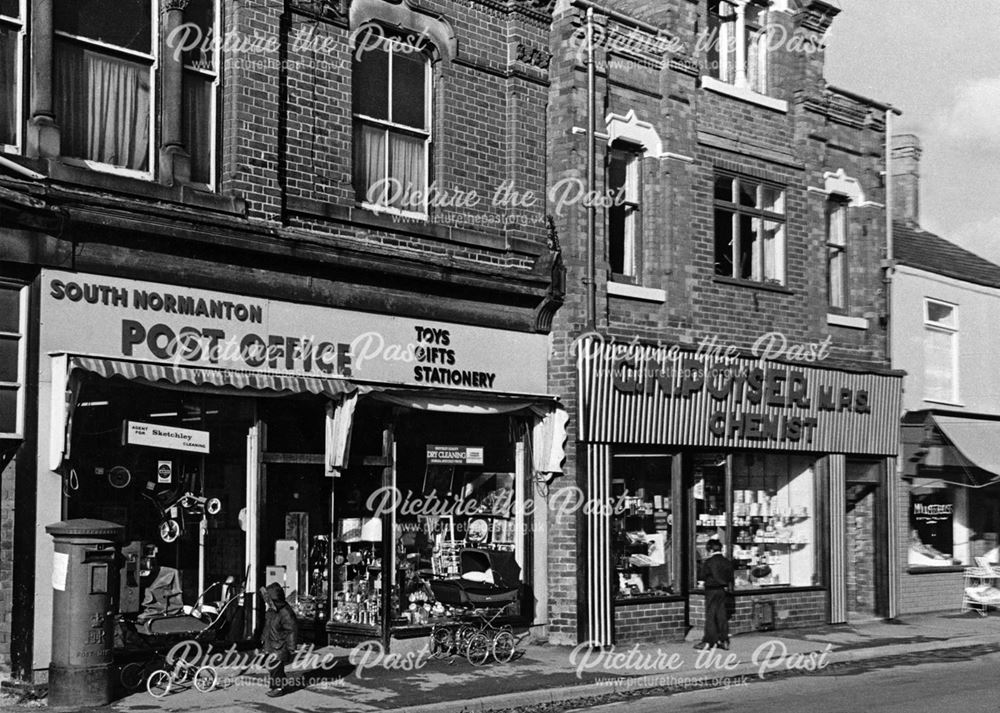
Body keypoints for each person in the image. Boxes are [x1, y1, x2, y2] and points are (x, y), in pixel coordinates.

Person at [695, 538, 734, 650]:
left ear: (710, 549)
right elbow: (730, 577)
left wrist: (701, 584)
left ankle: (709, 641)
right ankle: (724, 640)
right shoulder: (727, 562)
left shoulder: (709, 562)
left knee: (711, 616)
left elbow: (702, 578)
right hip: (722, 590)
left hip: (711, 590)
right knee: (722, 615)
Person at [261, 583, 298, 697]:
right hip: (271, 643)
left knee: (275, 668)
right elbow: (267, 626)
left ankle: (277, 688)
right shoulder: (272, 611)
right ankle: (283, 683)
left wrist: (291, 647)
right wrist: (263, 638)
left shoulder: (285, 612)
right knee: (271, 666)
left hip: (280, 645)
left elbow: (292, 630)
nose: (267, 602)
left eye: (269, 600)